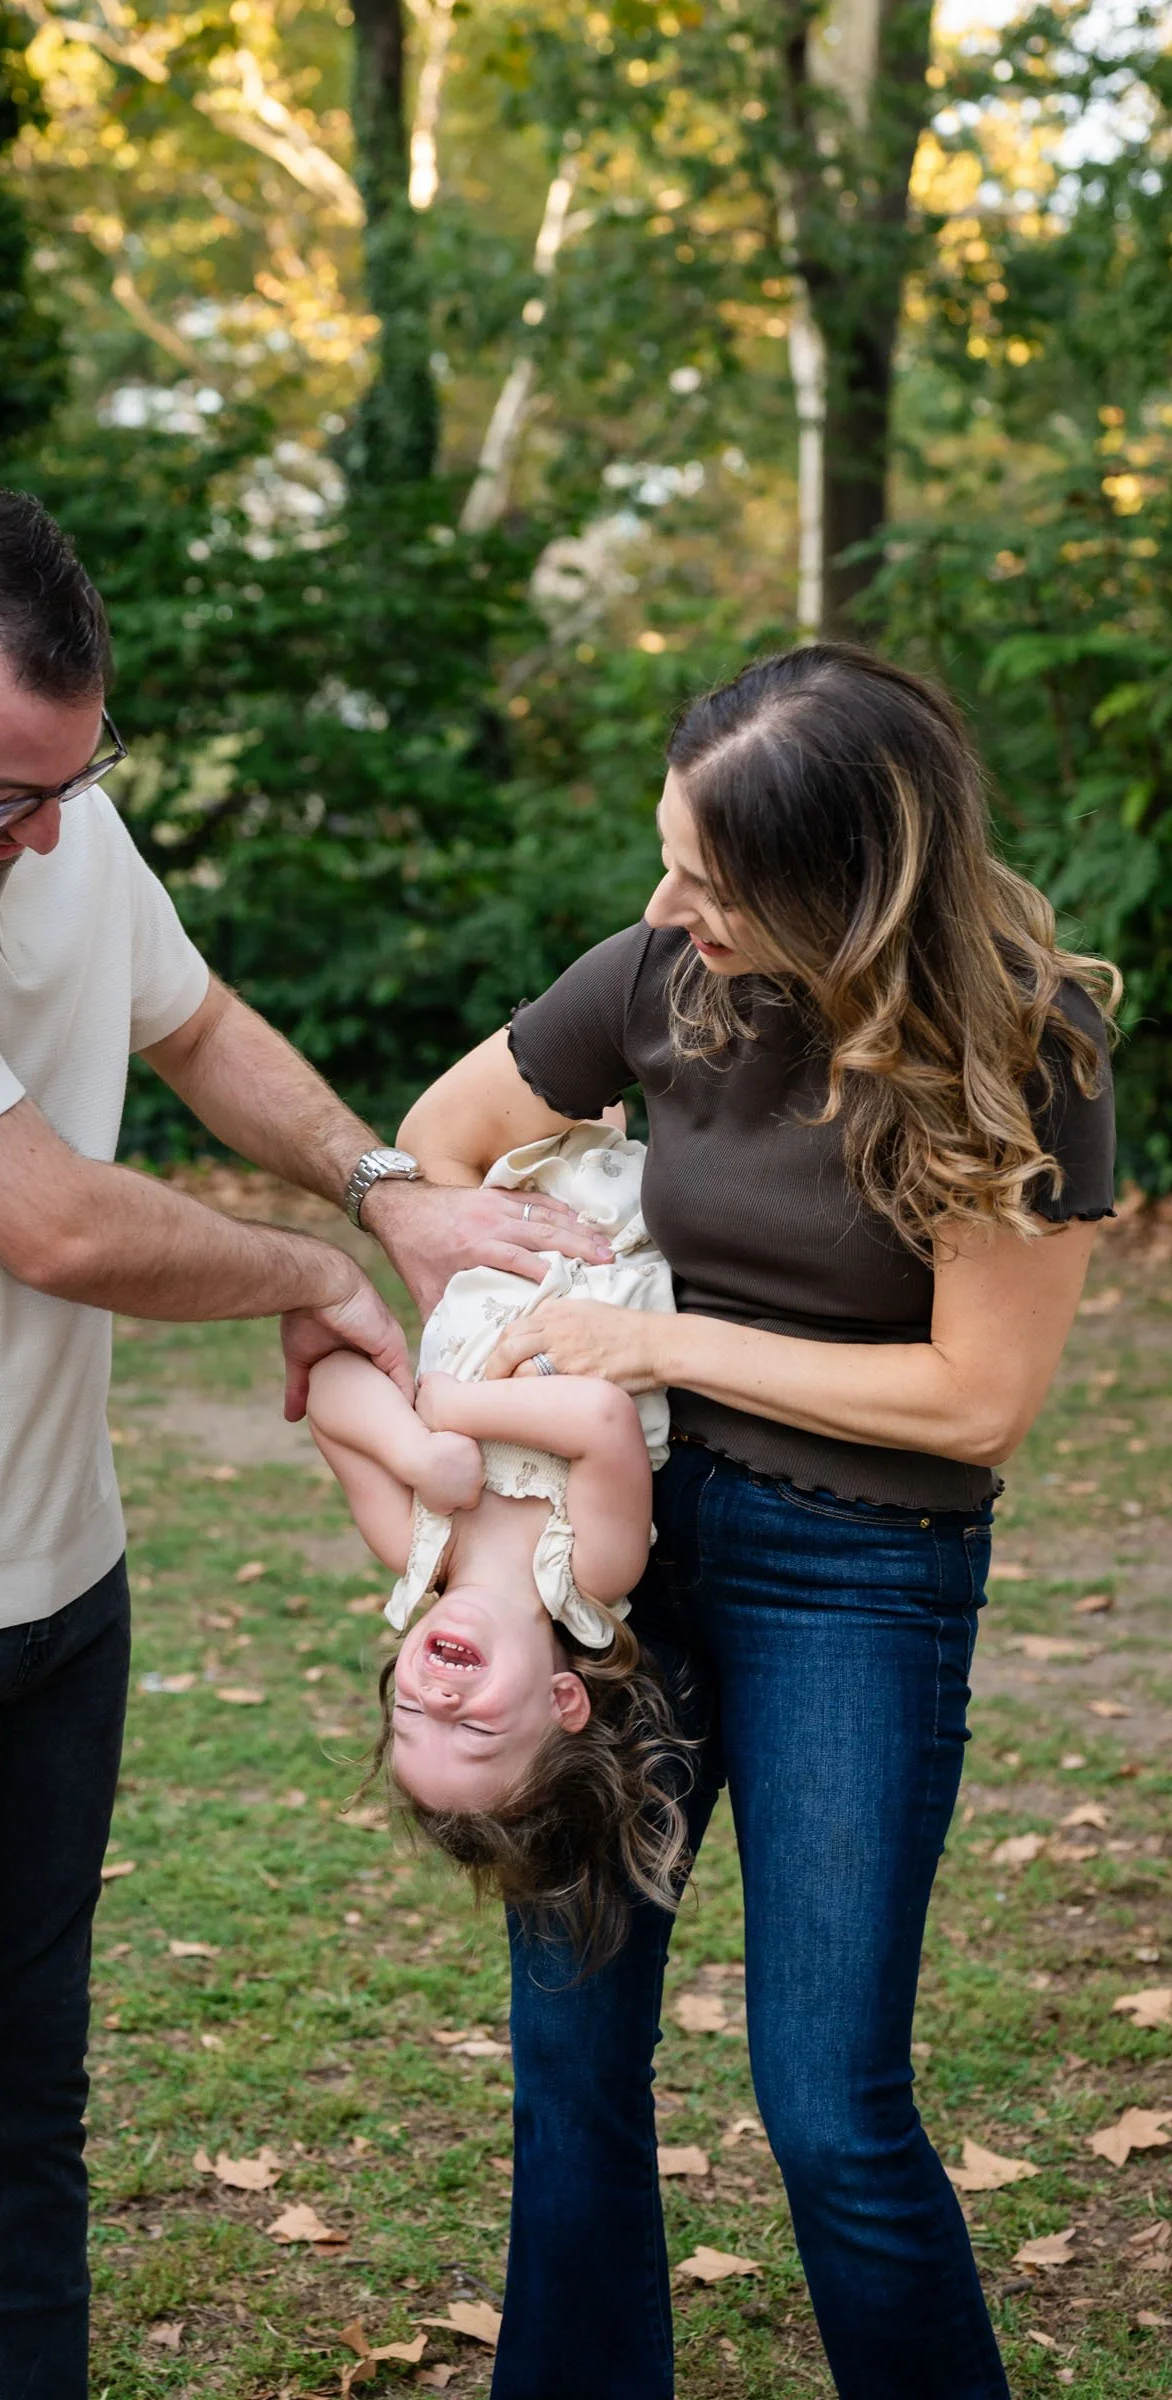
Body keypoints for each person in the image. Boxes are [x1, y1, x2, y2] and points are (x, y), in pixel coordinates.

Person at [0, 479, 614, 2400]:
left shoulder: (54, 819)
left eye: (75, 783)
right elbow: (57, 1220)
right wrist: (302, 1276)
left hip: (55, 1585)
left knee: (27, 2103)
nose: (41, 834)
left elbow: (191, 1024)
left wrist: (377, 1185)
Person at [397, 643, 1118, 2400]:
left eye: (711, 882)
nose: (666, 905)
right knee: (569, 2051)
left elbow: (974, 1401)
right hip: (620, 1559)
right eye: (670, 856)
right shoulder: (663, 978)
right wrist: (555, 1276)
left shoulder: (1027, 1038)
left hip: (860, 1574)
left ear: (844, 885)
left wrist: (660, 1335)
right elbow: (443, 1144)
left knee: (828, 2102)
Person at [305, 1126, 690, 1953]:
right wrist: (454, 1415)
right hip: (631, 1214)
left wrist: (414, 1453)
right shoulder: (591, 1570)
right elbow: (599, 1420)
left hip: (509, 1199)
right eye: (473, 1731)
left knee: (520, 1076)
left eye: (409, 1717)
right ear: (564, 1703)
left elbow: (331, 1387)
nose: (438, 1703)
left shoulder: (415, 1544)